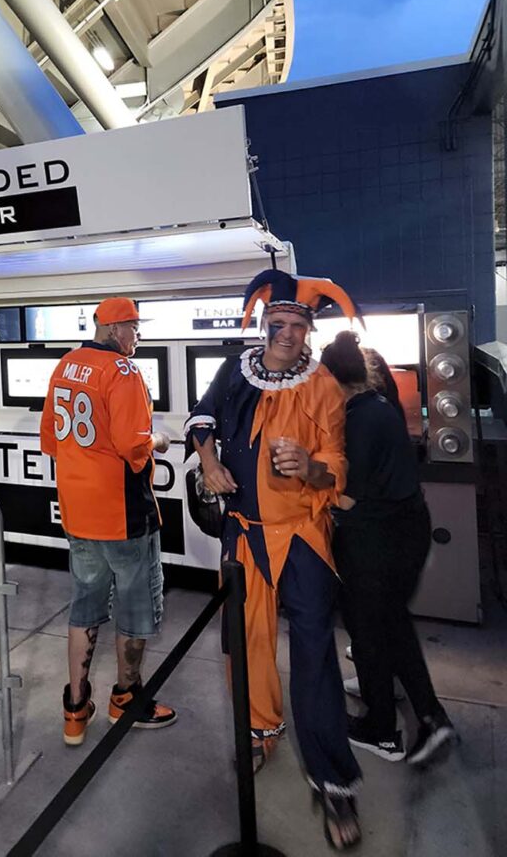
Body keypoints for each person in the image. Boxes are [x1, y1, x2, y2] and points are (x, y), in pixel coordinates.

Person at [185, 269, 363, 851]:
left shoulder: (325, 388)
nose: (284, 334)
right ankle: (260, 729)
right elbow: (201, 417)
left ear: (309, 334)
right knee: (246, 640)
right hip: (242, 535)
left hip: (301, 536)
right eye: (276, 324)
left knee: (314, 654)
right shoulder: (235, 371)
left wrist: (308, 467)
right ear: (264, 326)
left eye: (295, 327)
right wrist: (208, 462)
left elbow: (337, 464)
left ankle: (332, 777)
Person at [40, 297, 177, 747]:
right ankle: (127, 700)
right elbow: (132, 446)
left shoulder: (65, 365)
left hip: (77, 513)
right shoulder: (123, 372)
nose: (138, 337)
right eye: (135, 329)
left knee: (85, 605)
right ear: (118, 329)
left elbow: (51, 441)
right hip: (123, 514)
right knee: (136, 608)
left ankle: (75, 710)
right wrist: (160, 438)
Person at [320, 331, 456, 767]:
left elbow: (348, 497)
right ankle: (432, 717)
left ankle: (382, 729)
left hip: (375, 539)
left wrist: (303, 476)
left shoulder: (357, 421)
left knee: (368, 626)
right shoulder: (381, 406)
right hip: (408, 527)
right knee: (393, 622)